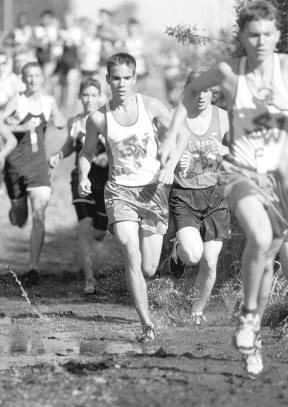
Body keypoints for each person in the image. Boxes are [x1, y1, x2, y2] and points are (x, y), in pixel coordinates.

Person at [160, 0, 288, 377]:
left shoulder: (285, 68)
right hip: (240, 172)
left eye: (268, 33)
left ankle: (254, 332)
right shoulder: (229, 71)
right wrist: (171, 138)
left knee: (269, 261)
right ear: (243, 37)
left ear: (278, 35)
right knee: (261, 238)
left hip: (279, 175)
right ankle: (248, 320)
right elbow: (189, 94)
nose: (261, 40)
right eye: (253, 34)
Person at [79, 52, 172, 342]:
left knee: (149, 267)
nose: (121, 83)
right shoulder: (99, 118)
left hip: (153, 190)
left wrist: (171, 162)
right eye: (116, 78)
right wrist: (83, 175)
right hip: (120, 192)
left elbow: (178, 133)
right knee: (131, 250)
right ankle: (147, 325)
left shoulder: (152, 106)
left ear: (135, 79)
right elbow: (86, 152)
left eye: (127, 78)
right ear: (108, 79)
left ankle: (176, 255)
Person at [165, 70, 230, 325]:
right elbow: (161, 151)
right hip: (184, 195)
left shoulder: (223, 118)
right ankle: (177, 251)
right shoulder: (176, 118)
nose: (201, 95)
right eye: (196, 89)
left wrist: (224, 149)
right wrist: (172, 161)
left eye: (207, 90)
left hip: (214, 196)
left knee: (210, 262)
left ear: (213, 91)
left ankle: (197, 311)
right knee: (193, 256)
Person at [3, 61, 66, 285]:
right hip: (15, 165)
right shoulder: (16, 100)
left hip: (39, 165)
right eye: (28, 76)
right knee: (20, 220)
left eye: (37, 75)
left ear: (42, 78)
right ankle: (15, 209)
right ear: (23, 78)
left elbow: (59, 118)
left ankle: (32, 267)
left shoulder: (48, 101)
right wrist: (20, 127)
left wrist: (60, 121)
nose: (33, 79)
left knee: (39, 215)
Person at [49, 78, 108, 294]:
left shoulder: (107, 119)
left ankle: (95, 260)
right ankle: (89, 280)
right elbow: (68, 145)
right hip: (80, 179)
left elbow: (120, 149)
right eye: (86, 95)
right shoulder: (74, 121)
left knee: (99, 233)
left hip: (104, 182)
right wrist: (58, 154)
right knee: (84, 227)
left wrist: (108, 159)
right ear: (80, 97)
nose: (89, 99)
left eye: (94, 95)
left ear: (100, 96)